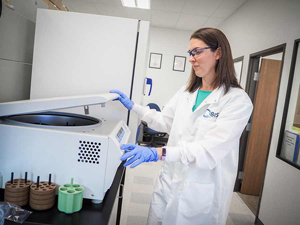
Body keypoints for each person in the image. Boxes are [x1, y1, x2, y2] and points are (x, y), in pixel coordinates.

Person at [110, 27, 253, 225]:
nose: (191, 58)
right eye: (190, 53)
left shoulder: (237, 101)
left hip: (201, 191)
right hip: (169, 180)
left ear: (218, 53)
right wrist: (135, 107)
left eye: (197, 52)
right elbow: (165, 121)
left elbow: (209, 151)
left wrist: (157, 153)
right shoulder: (187, 92)